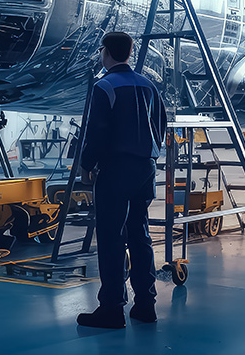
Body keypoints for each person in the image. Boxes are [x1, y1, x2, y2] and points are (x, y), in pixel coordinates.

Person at [77, 31, 167, 329]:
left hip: (116, 169)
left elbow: (97, 131)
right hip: (146, 168)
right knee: (140, 234)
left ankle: (112, 308)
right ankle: (146, 304)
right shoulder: (149, 85)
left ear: (105, 52)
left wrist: (87, 164)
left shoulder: (105, 87)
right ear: (129, 52)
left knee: (112, 237)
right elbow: (161, 127)